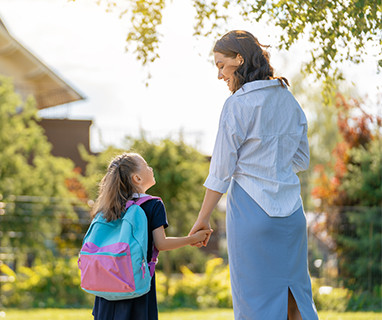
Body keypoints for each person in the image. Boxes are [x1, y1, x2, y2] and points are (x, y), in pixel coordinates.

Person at [189, 30, 319, 320]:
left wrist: (202, 219)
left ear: (239, 59)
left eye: (221, 65)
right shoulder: (289, 100)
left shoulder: (237, 105)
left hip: (251, 213)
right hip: (292, 215)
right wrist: (274, 164)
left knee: (255, 306)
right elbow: (301, 159)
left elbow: (221, 170)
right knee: (295, 300)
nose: (220, 75)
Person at [91, 152, 211, 320]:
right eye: (147, 166)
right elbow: (161, 243)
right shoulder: (153, 204)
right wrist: (192, 239)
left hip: (107, 284)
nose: (151, 168)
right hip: (136, 284)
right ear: (137, 178)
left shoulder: (109, 206)